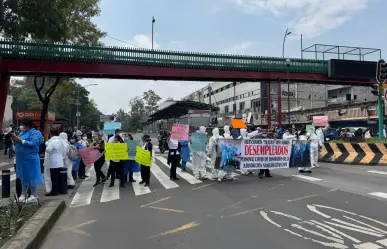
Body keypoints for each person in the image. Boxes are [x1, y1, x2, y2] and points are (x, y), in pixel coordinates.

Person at [13, 119, 43, 202]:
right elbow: (18, 143)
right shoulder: (22, 133)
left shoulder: (35, 133)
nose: (21, 126)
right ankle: (23, 194)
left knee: (32, 176)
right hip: (21, 159)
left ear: (28, 125)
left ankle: (33, 194)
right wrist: (15, 140)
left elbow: (34, 144)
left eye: (23, 125)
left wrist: (22, 141)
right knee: (23, 177)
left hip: (30, 158)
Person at [45, 131, 67, 196]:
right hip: (60, 161)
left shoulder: (52, 141)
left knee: (54, 177)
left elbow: (48, 149)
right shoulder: (61, 141)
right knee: (58, 176)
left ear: (52, 134)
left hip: (53, 161)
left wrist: (46, 144)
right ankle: (58, 190)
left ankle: (54, 191)